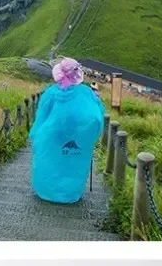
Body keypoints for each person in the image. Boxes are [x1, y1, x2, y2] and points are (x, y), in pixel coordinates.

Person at [29, 58, 106, 204]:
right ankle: (68, 193)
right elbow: (96, 117)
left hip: (51, 137)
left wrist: (37, 136)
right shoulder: (87, 93)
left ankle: (48, 191)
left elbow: (41, 118)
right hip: (75, 138)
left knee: (51, 161)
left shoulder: (50, 93)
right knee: (71, 162)